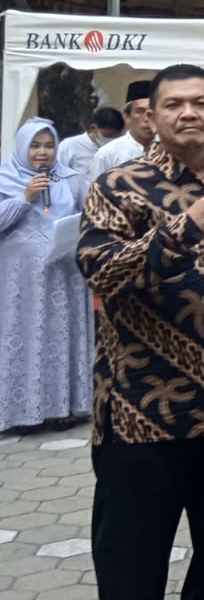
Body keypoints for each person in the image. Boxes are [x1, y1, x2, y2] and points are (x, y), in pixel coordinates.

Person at [78, 63, 204, 600]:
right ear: (151, 117)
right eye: (174, 104)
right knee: (132, 571)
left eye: (200, 103)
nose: (188, 113)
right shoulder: (118, 186)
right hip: (143, 415)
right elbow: (100, 271)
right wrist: (179, 231)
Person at [0, 118, 89, 432]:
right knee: (24, 338)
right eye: (35, 146)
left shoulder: (72, 179)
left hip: (63, 275)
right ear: (22, 147)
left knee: (61, 337)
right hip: (20, 280)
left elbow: (90, 215)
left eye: (49, 146)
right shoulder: (5, 178)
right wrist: (25, 197)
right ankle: (21, 413)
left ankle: (63, 409)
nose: (43, 153)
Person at [90, 80, 155, 179]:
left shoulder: (172, 150)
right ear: (127, 117)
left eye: (152, 112)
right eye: (140, 111)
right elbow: (96, 187)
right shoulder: (107, 155)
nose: (147, 119)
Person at [58, 107, 125, 182]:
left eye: (117, 136)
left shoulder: (120, 149)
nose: (112, 140)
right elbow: (57, 174)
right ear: (93, 128)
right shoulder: (69, 146)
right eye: (108, 135)